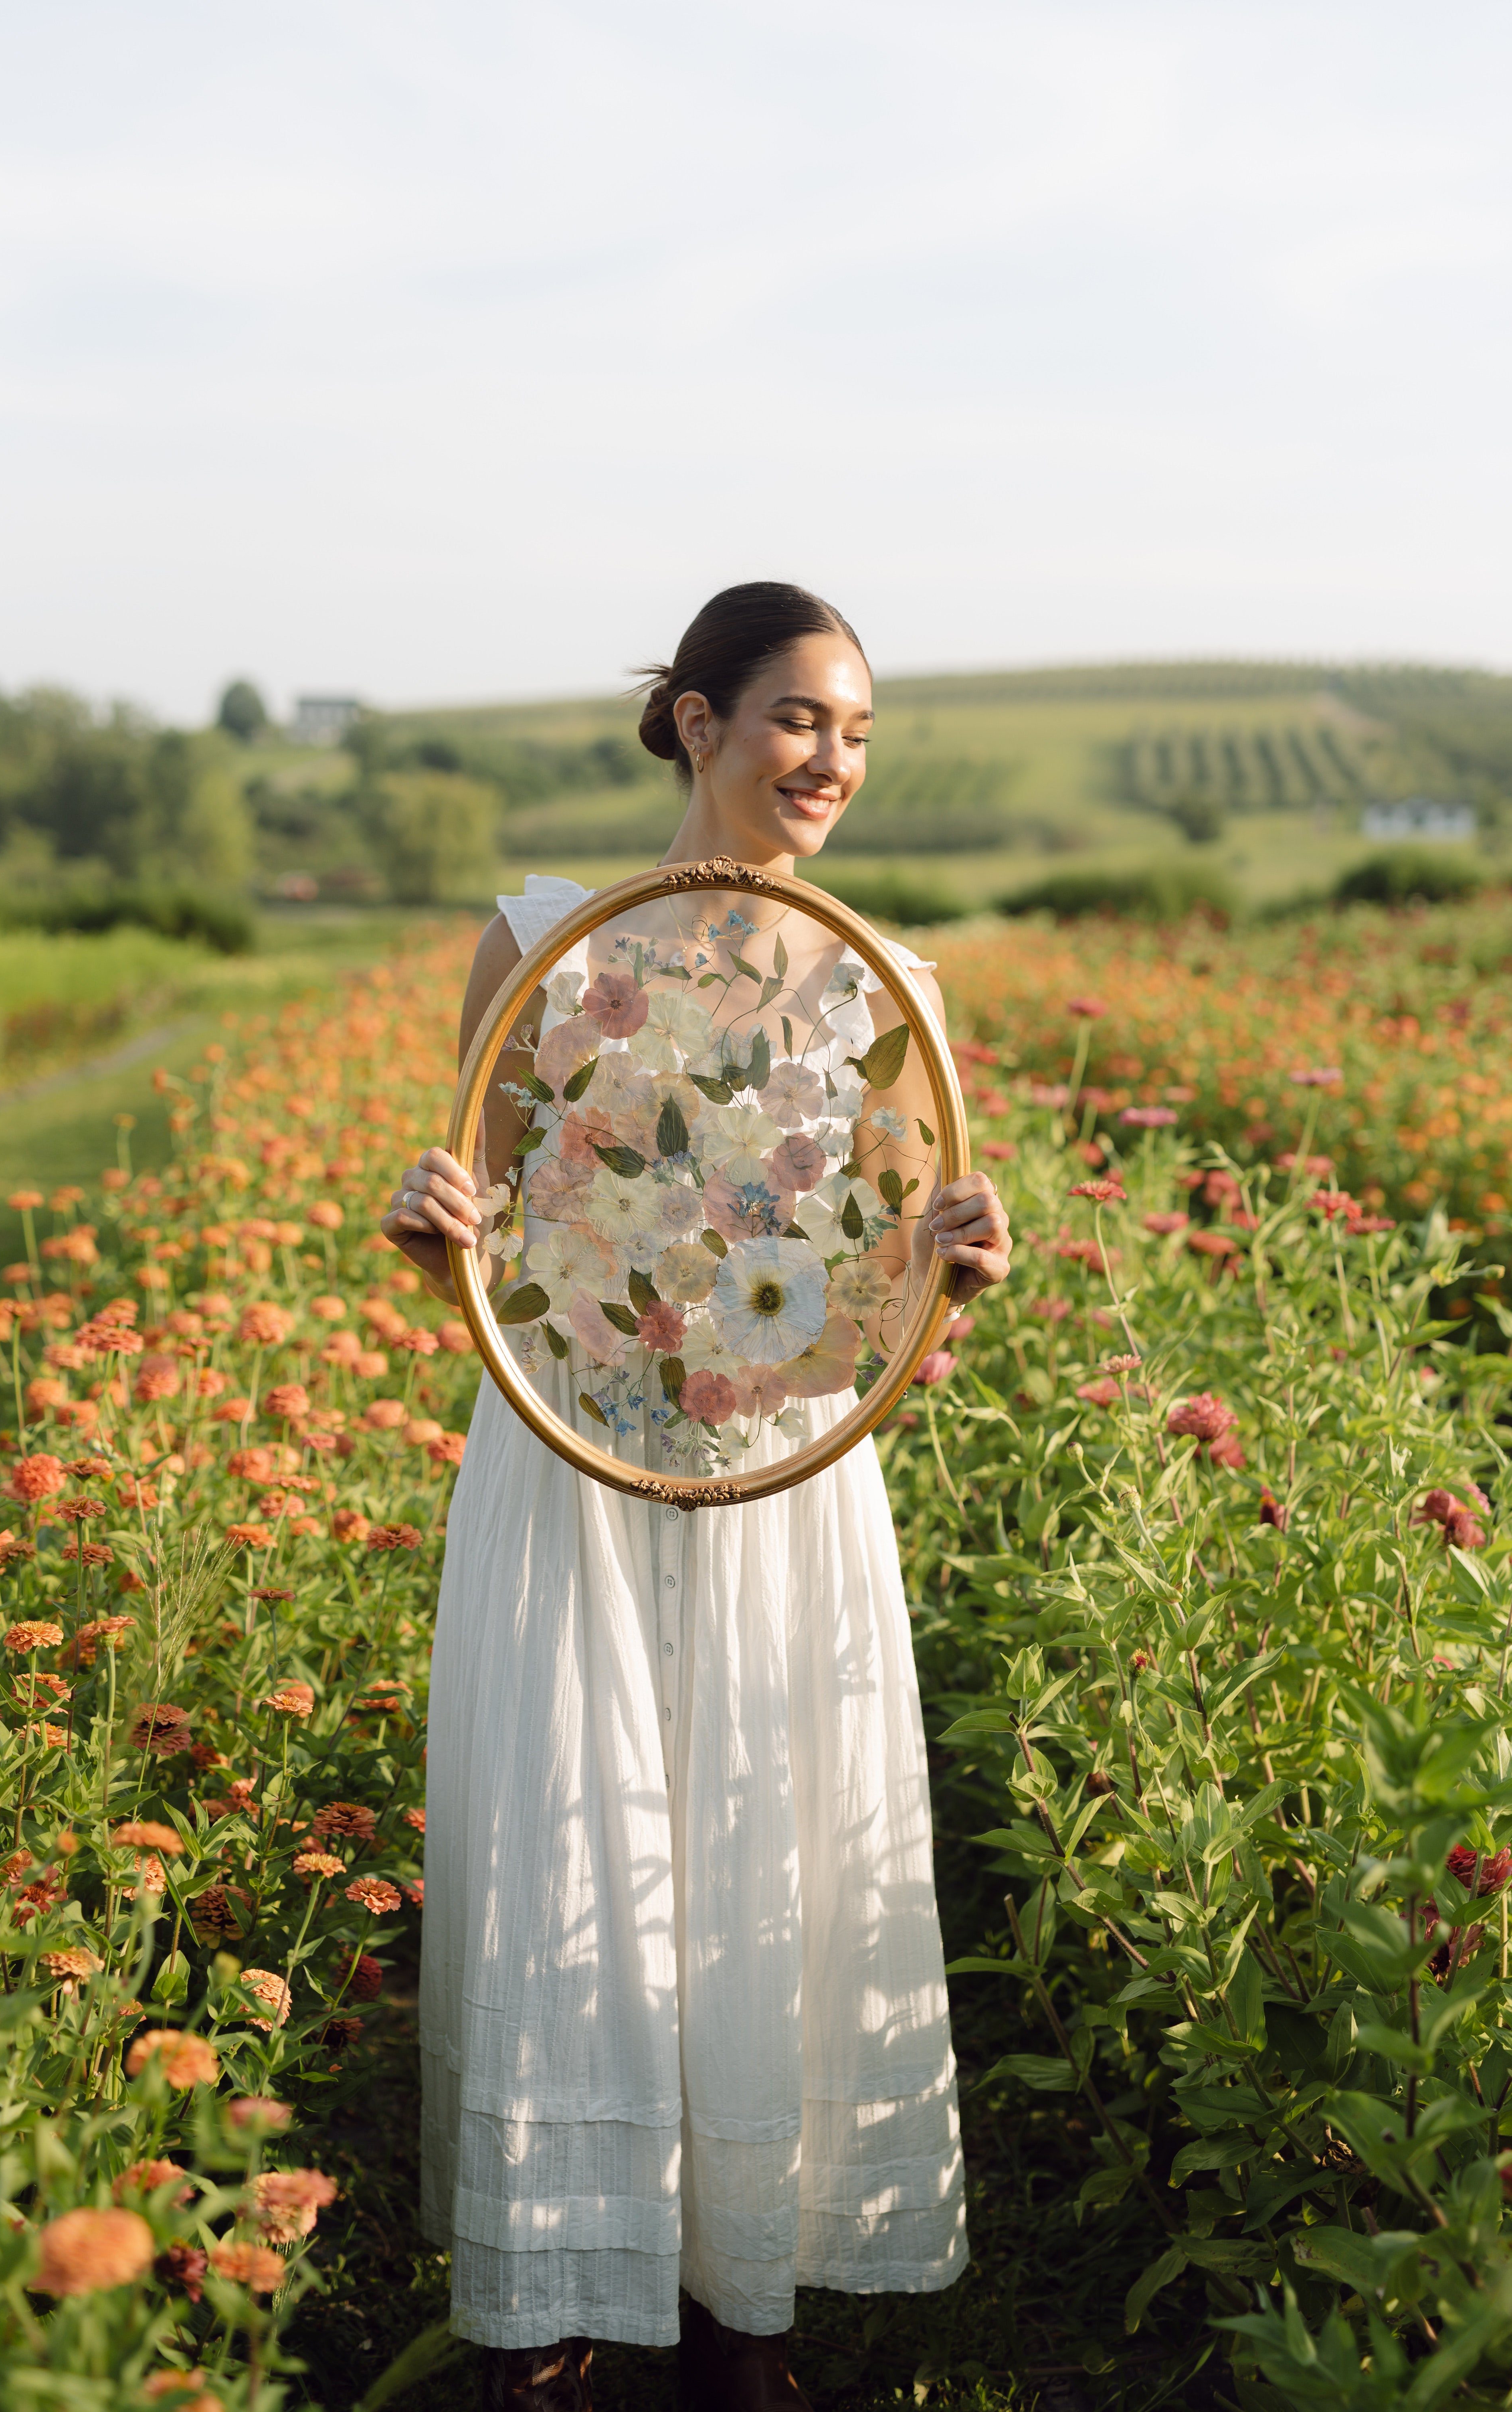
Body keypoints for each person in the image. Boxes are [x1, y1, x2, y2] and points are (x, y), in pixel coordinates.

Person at [382, 583, 1013, 2410]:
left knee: (761, 1873)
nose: (830, 762)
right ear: (694, 723)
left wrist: (946, 1287)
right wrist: (432, 1246)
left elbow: (891, 1342)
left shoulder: (892, 989)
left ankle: (744, 2318)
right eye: (799, 719)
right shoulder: (535, 945)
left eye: (857, 733)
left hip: (778, 1488)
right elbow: (491, 1275)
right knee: (567, 1858)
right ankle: (560, 2301)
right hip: (567, 1465)